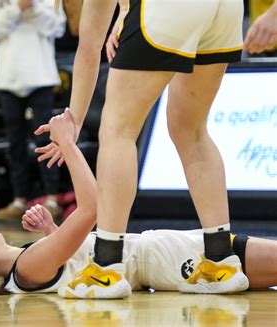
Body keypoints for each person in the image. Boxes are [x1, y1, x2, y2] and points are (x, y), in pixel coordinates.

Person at [34, 0, 250, 298]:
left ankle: (106, 268)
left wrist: (73, 121)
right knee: (191, 131)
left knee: (117, 130)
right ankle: (220, 261)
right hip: (225, 8)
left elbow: (89, 47)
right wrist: (126, 14)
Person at [0, 111, 277, 295]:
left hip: (163, 258)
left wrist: (54, 230)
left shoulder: (28, 262)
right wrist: (67, 143)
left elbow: (81, 258)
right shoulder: (27, 267)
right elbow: (94, 208)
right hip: (167, 258)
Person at [0, 0, 66, 221]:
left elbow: (57, 27)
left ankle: (52, 197)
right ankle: (19, 198)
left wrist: (34, 8)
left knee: (48, 140)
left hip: (41, 76)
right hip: (8, 79)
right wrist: (17, 8)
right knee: (15, 142)